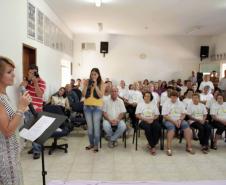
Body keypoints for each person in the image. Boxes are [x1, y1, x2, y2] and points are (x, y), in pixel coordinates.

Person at [0, 56, 30, 185]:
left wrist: (21, 108)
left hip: (13, 154)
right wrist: (21, 108)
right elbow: (7, 131)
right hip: (5, 158)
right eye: (9, 72)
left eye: (13, 71)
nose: (13, 75)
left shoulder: (4, 95)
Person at [20, 64, 46, 159]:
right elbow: (21, 89)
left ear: (36, 73)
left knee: (36, 130)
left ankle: (37, 150)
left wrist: (35, 83)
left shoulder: (42, 82)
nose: (31, 74)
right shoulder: (27, 81)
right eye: (29, 72)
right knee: (30, 130)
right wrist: (25, 82)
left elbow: (39, 95)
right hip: (27, 109)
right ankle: (34, 147)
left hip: (36, 110)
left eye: (33, 72)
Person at [162, 90, 195, 156]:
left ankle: (189, 147)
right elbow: (165, 116)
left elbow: (183, 114)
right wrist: (174, 121)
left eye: (175, 97)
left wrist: (180, 120)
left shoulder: (180, 103)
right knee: (171, 128)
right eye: (172, 97)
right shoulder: (166, 103)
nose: (174, 99)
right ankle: (169, 149)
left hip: (179, 120)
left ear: (177, 97)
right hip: (169, 120)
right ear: (170, 97)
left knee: (186, 126)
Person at [82, 68, 104, 152]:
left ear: (98, 75)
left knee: (96, 127)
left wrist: (95, 87)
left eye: (95, 74)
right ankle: (91, 143)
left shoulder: (101, 82)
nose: (93, 76)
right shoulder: (87, 82)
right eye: (92, 74)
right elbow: (83, 94)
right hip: (87, 107)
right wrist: (86, 85)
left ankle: (96, 145)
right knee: (90, 128)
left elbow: (101, 95)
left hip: (97, 108)